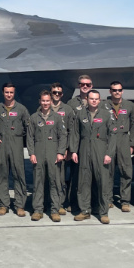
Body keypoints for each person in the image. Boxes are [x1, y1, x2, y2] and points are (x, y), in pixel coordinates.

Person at [71, 90, 113, 224]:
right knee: (83, 181)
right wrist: (74, 151)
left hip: (100, 149)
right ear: (87, 100)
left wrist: (109, 153)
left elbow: (113, 135)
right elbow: (75, 133)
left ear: (99, 100)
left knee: (102, 182)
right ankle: (85, 211)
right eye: (91, 98)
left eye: (96, 99)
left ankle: (103, 212)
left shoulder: (106, 115)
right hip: (84, 149)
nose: (94, 101)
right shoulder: (80, 114)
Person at [26, 90, 66, 222]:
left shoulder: (57, 117)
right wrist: (31, 153)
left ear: (51, 101)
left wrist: (60, 152)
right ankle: (38, 210)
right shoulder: (34, 118)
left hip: (53, 153)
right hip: (38, 153)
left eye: (47, 101)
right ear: (39, 101)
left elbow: (63, 135)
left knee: (54, 182)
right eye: (43, 101)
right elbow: (30, 137)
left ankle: (55, 210)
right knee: (38, 182)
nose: (45, 103)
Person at [0, 83, 30, 217]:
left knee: (19, 173)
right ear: (3, 93)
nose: (9, 95)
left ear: (14, 93)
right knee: (1, 173)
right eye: (7, 92)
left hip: (16, 143)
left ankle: (20, 205)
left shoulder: (21, 109)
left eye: (11, 92)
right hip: (2, 144)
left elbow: (28, 128)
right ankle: (3, 204)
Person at [104, 81, 134, 212]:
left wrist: (132, 143)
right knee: (108, 171)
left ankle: (125, 201)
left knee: (126, 171)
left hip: (124, 139)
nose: (117, 92)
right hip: (109, 140)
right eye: (114, 90)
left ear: (122, 91)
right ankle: (108, 199)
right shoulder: (103, 105)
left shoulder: (130, 105)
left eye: (119, 90)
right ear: (110, 91)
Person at [50, 82, 79, 216]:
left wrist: (68, 149)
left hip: (62, 148)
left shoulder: (67, 109)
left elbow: (72, 130)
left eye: (59, 93)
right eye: (54, 92)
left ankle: (60, 204)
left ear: (62, 95)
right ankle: (48, 201)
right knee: (48, 177)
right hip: (47, 146)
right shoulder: (44, 107)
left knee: (60, 178)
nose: (57, 95)